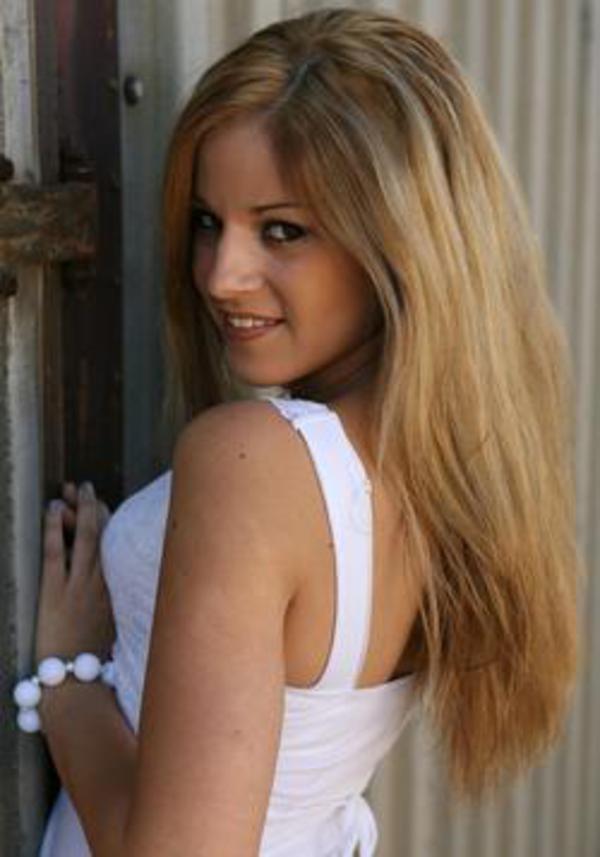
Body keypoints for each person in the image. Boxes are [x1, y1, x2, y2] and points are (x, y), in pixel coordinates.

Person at [22, 7, 582, 856]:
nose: (221, 274)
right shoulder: (442, 471)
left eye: (282, 230)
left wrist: (68, 679)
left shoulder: (256, 461)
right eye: (207, 221)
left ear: (400, 244)